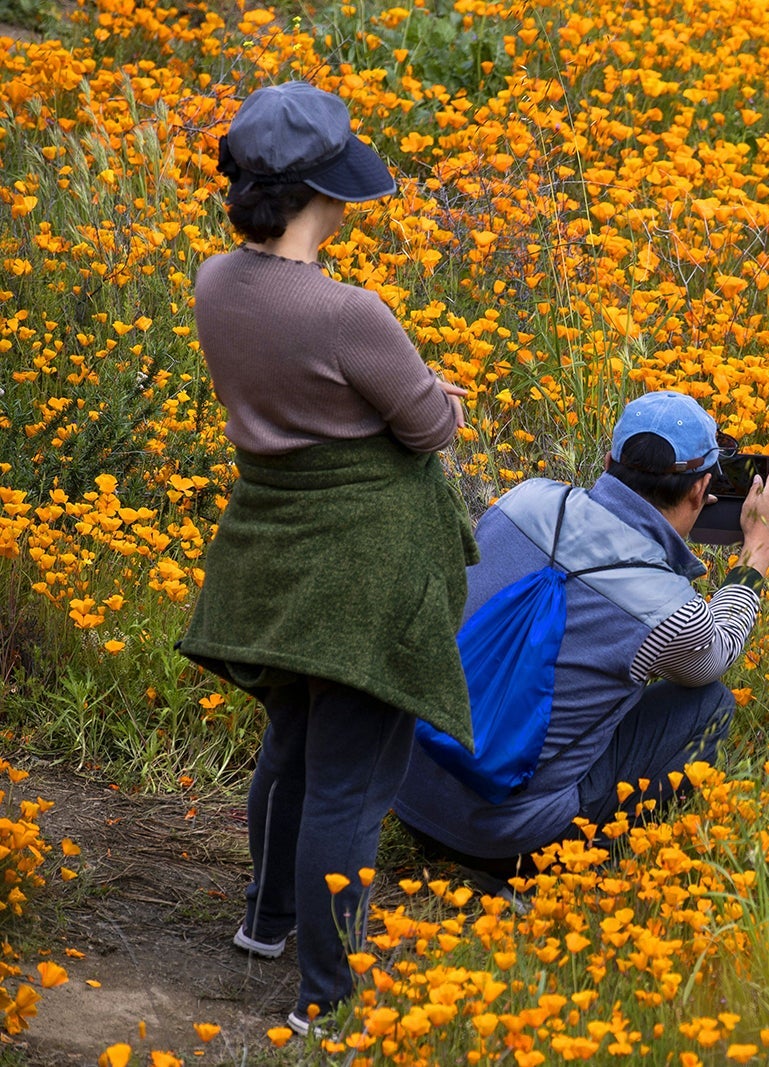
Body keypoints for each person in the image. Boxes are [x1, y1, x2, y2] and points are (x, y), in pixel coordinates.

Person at [176, 81, 477, 1036]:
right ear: (319, 194)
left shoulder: (214, 280)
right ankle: (327, 994)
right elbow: (426, 427)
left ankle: (266, 922)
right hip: (364, 562)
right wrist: (443, 397)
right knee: (351, 779)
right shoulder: (350, 310)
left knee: (293, 745)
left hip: (273, 541)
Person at [393, 390, 769, 891]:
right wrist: (756, 552)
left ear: (608, 461)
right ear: (701, 491)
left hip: (401, 793)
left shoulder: (525, 499)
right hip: (509, 844)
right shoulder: (668, 608)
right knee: (708, 705)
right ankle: (573, 865)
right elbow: (718, 651)